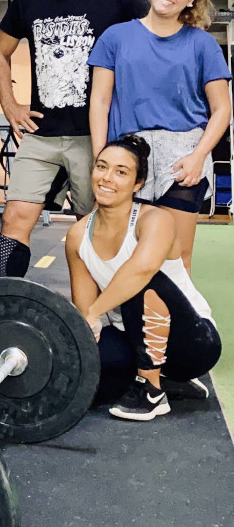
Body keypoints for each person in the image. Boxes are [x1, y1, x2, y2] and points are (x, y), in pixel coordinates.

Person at [0, 0, 149, 280]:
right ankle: (3, 301)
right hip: (41, 134)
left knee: (95, 224)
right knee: (14, 218)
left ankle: (105, 308)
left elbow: (155, 39)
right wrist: (10, 107)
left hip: (96, 136)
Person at [89, 0, 232, 275]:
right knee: (126, 255)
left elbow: (222, 108)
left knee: (175, 258)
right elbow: (100, 101)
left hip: (183, 153)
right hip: (129, 151)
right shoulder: (115, 37)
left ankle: (177, 311)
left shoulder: (202, 44)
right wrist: (101, 158)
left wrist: (198, 156)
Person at [65, 135, 221, 421]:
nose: (107, 178)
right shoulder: (77, 235)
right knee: (79, 376)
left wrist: (95, 312)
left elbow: (142, 270)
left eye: (121, 172)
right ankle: (169, 382)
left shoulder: (155, 220)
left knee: (141, 280)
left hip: (193, 342)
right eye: (102, 167)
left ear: (138, 183)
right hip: (131, 338)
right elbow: (86, 312)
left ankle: (151, 390)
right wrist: (85, 344)